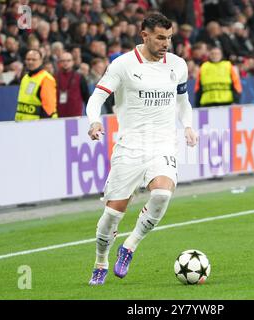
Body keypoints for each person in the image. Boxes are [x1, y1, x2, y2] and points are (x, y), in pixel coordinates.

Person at [85, 13, 198, 285]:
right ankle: (101, 262)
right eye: (160, 37)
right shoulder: (122, 65)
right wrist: (94, 121)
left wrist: (188, 126)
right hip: (130, 147)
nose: (166, 43)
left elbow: (182, 101)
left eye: (169, 38)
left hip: (162, 144)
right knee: (112, 216)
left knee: (161, 193)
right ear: (144, 35)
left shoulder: (177, 65)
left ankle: (130, 246)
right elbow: (97, 97)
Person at [15, 49, 57, 120]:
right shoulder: (25, 78)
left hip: (37, 125)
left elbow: (48, 108)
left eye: (34, 60)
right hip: (23, 124)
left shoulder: (46, 79)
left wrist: (42, 126)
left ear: (41, 61)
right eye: (28, 59)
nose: (30, 62)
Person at [56, 51, 90, 117]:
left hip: (76, 116)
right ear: (59, 63)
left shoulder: (79, 77)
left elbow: (86, 96)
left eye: (68, 60)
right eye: (63, 61)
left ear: (73, 62)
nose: (65, 63)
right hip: (58, 116)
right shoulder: (54, 77)